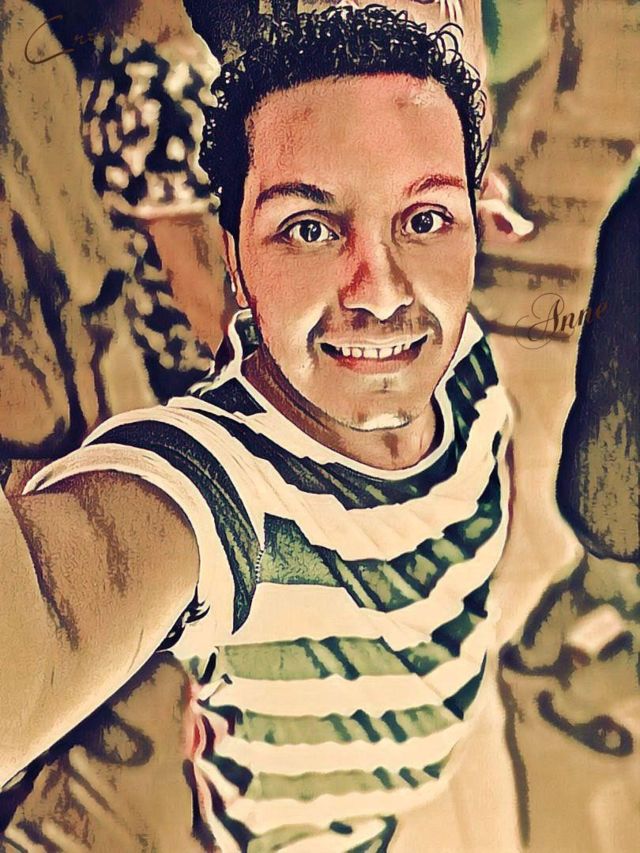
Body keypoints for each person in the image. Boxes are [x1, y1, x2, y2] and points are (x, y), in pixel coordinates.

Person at [0, 7, 514, 851]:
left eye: (425, 217)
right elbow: (45, 636)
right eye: (309, 227)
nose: (381, 291)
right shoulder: (223, 484)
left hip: (390, 800)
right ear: (234, 258)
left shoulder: (466, 361)